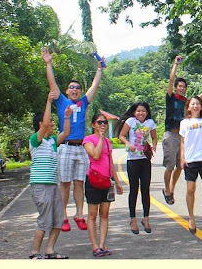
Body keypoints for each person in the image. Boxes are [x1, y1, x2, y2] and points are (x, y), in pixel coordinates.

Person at [42, 47, 105, 232]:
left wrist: (99, 69)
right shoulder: (62, 101)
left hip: (81, 147)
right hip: (66, 146)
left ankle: (79, 214)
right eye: (72, 88)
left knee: (80, 182)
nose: (75, 90)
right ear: (67, 91)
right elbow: (52, 83)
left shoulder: (83, 102)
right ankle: (63, 216)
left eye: (77, 88)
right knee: (65, 183)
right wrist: (48, 63)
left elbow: (94, 86)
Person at [162, 55, 202, 205]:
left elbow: (196, 100)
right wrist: (175, 65)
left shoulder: (186, 102)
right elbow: (171, 80)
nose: (182, 88)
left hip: (183, 136)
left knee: (181, 165)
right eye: (180, 86)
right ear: (176, 87)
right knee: (170, 165)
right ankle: (166, 189)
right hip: (171, 134)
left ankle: (171, 188)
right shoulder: (171, 97)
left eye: (184, 87)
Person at [28, 89, 72, 259]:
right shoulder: (35, 140)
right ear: (40, 124)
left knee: (58, 219)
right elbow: (46, 125)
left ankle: (50, 250)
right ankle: (34, 252)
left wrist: (67, 117)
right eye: (49, 122)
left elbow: (66, 133)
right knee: (45, 220)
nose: (52, 124)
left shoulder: (52, 141)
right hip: (40, 186)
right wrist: (49, 101)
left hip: (53, 185)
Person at [83, 113, 124, 257]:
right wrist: (100, 138)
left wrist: (118, 182)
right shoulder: (88, 139)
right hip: (93, 181)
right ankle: (95, 246)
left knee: (105, 214)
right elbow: (94, 154)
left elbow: (110, 163)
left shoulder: (108, 141)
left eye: (104, 122)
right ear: (93, 125)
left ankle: (102, 245)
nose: (102, 125)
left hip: (106, 181)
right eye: (99, 122)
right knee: (93, 214)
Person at [116, 102, 158, 235]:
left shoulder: (150, 123)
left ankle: (146, 218)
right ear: (134, 112)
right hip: (132, 160)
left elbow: (155, 137)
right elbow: (121, 135)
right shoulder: (130, 121)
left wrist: (154, 146)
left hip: (145, 160)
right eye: (138, 111)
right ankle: (132, 219)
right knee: (134, 190)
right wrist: (128, 143)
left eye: (143, 111)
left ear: (147, 112)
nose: (141, 113)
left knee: (146, 189)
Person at [179, 95, 202, 234]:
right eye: (192, 104)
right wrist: (182, 158)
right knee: (190, 189)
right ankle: (191, 217)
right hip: (190, 160)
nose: (195, 106)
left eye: (198, 104)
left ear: (201, 107)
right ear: (188, 106)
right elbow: (182, 142)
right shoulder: (184, 123)